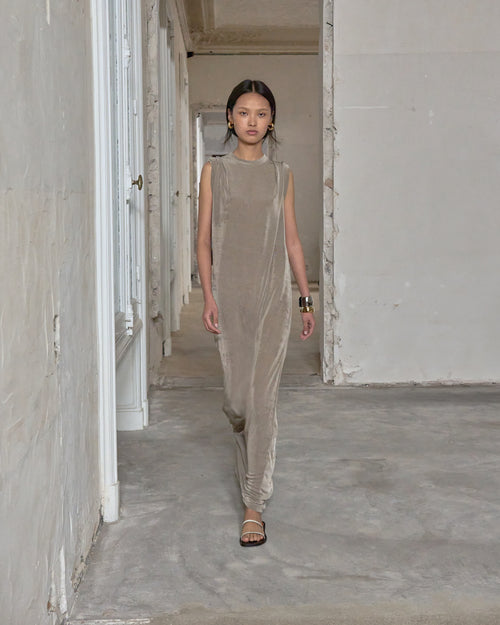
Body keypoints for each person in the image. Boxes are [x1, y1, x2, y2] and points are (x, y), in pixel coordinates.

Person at [197, 79, 315, 547]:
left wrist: (305, 299)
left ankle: (254, 504)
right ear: (230, 118)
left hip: (273, 302)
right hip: (230, 301)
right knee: (238, 403)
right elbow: (203, 241)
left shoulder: (281, 174)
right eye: (243, 112)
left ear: (271, 121)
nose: (252, 121)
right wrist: (208, 297)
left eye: (261, 113)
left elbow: (292, 240)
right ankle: (244, 444)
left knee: (263, 403)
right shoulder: (215, 171)